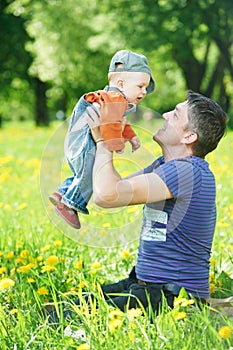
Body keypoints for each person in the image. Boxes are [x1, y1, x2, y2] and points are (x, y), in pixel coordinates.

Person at [47, 91, 227, 324]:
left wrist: (104, 141)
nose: (165, 114)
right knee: (66, 307)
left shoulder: (187, 171)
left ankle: (204, 311)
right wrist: (105, 136)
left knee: (65, 319)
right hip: (145, 284)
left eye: (176, 114)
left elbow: (107, 196)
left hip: (173, 296)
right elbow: (113, 188)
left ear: (189, 136)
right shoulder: (166, 165)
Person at [49, 50, 155, 229]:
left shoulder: (114, 99)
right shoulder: (114, 99)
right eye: (140, 86)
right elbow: (110, 126)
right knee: (92, 173)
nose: (144, 92)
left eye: (145, 88)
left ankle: (62, 192)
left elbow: (119, 123)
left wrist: (131, 137)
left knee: (84, 173)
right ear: (121, 83)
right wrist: (117, 143)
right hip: (83, 144)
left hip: (78, 143)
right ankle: (69, 205)